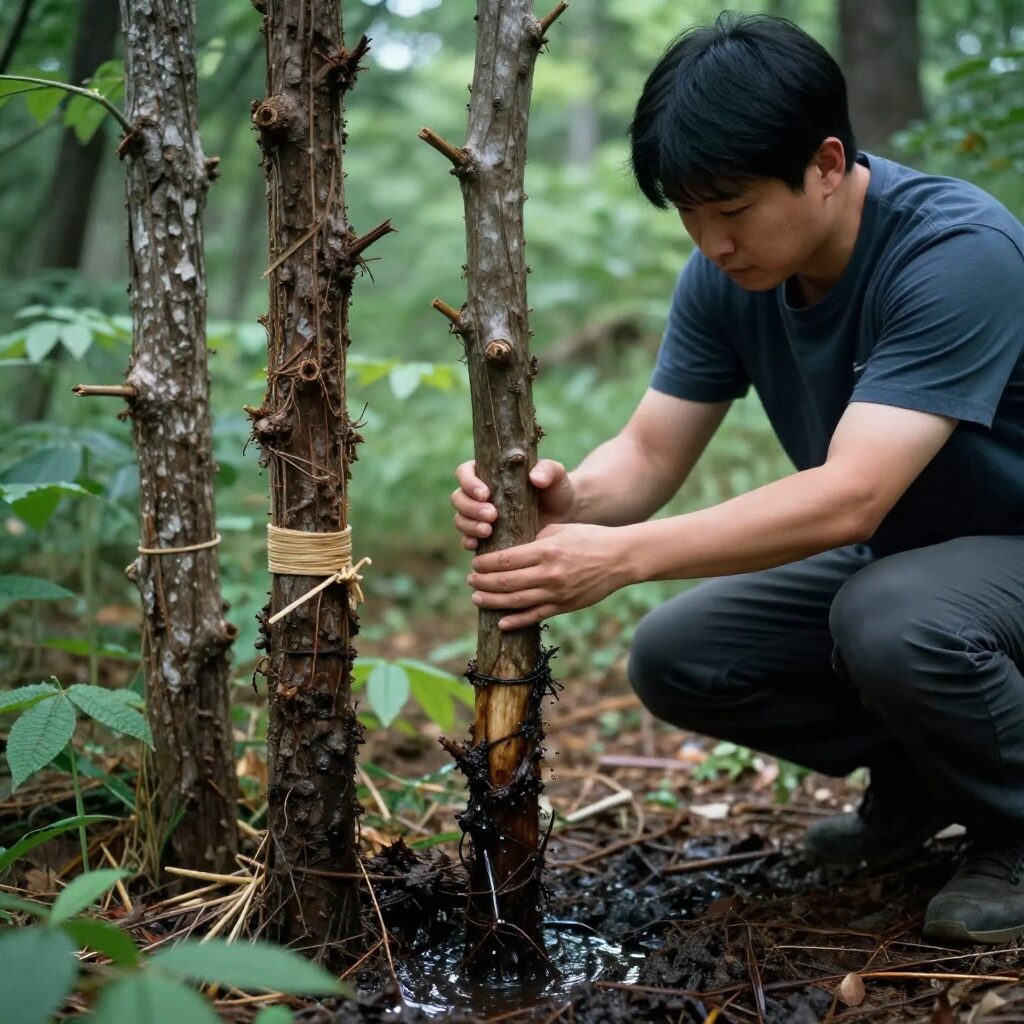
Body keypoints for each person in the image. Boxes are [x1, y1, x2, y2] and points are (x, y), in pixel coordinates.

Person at [451, 12, 1024, 943]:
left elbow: (851, 496)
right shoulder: (730, 277)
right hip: (918, 567)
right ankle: (932, 777)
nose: (710, 239)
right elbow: (647, 454)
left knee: (891, 617)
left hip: (992, 565)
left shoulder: (955, 254)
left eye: (732, 208)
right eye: (688, 211)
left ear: (828, 163)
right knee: (684, 653)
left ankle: (1015, 825)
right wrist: (564, 501)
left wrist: (624, 557)